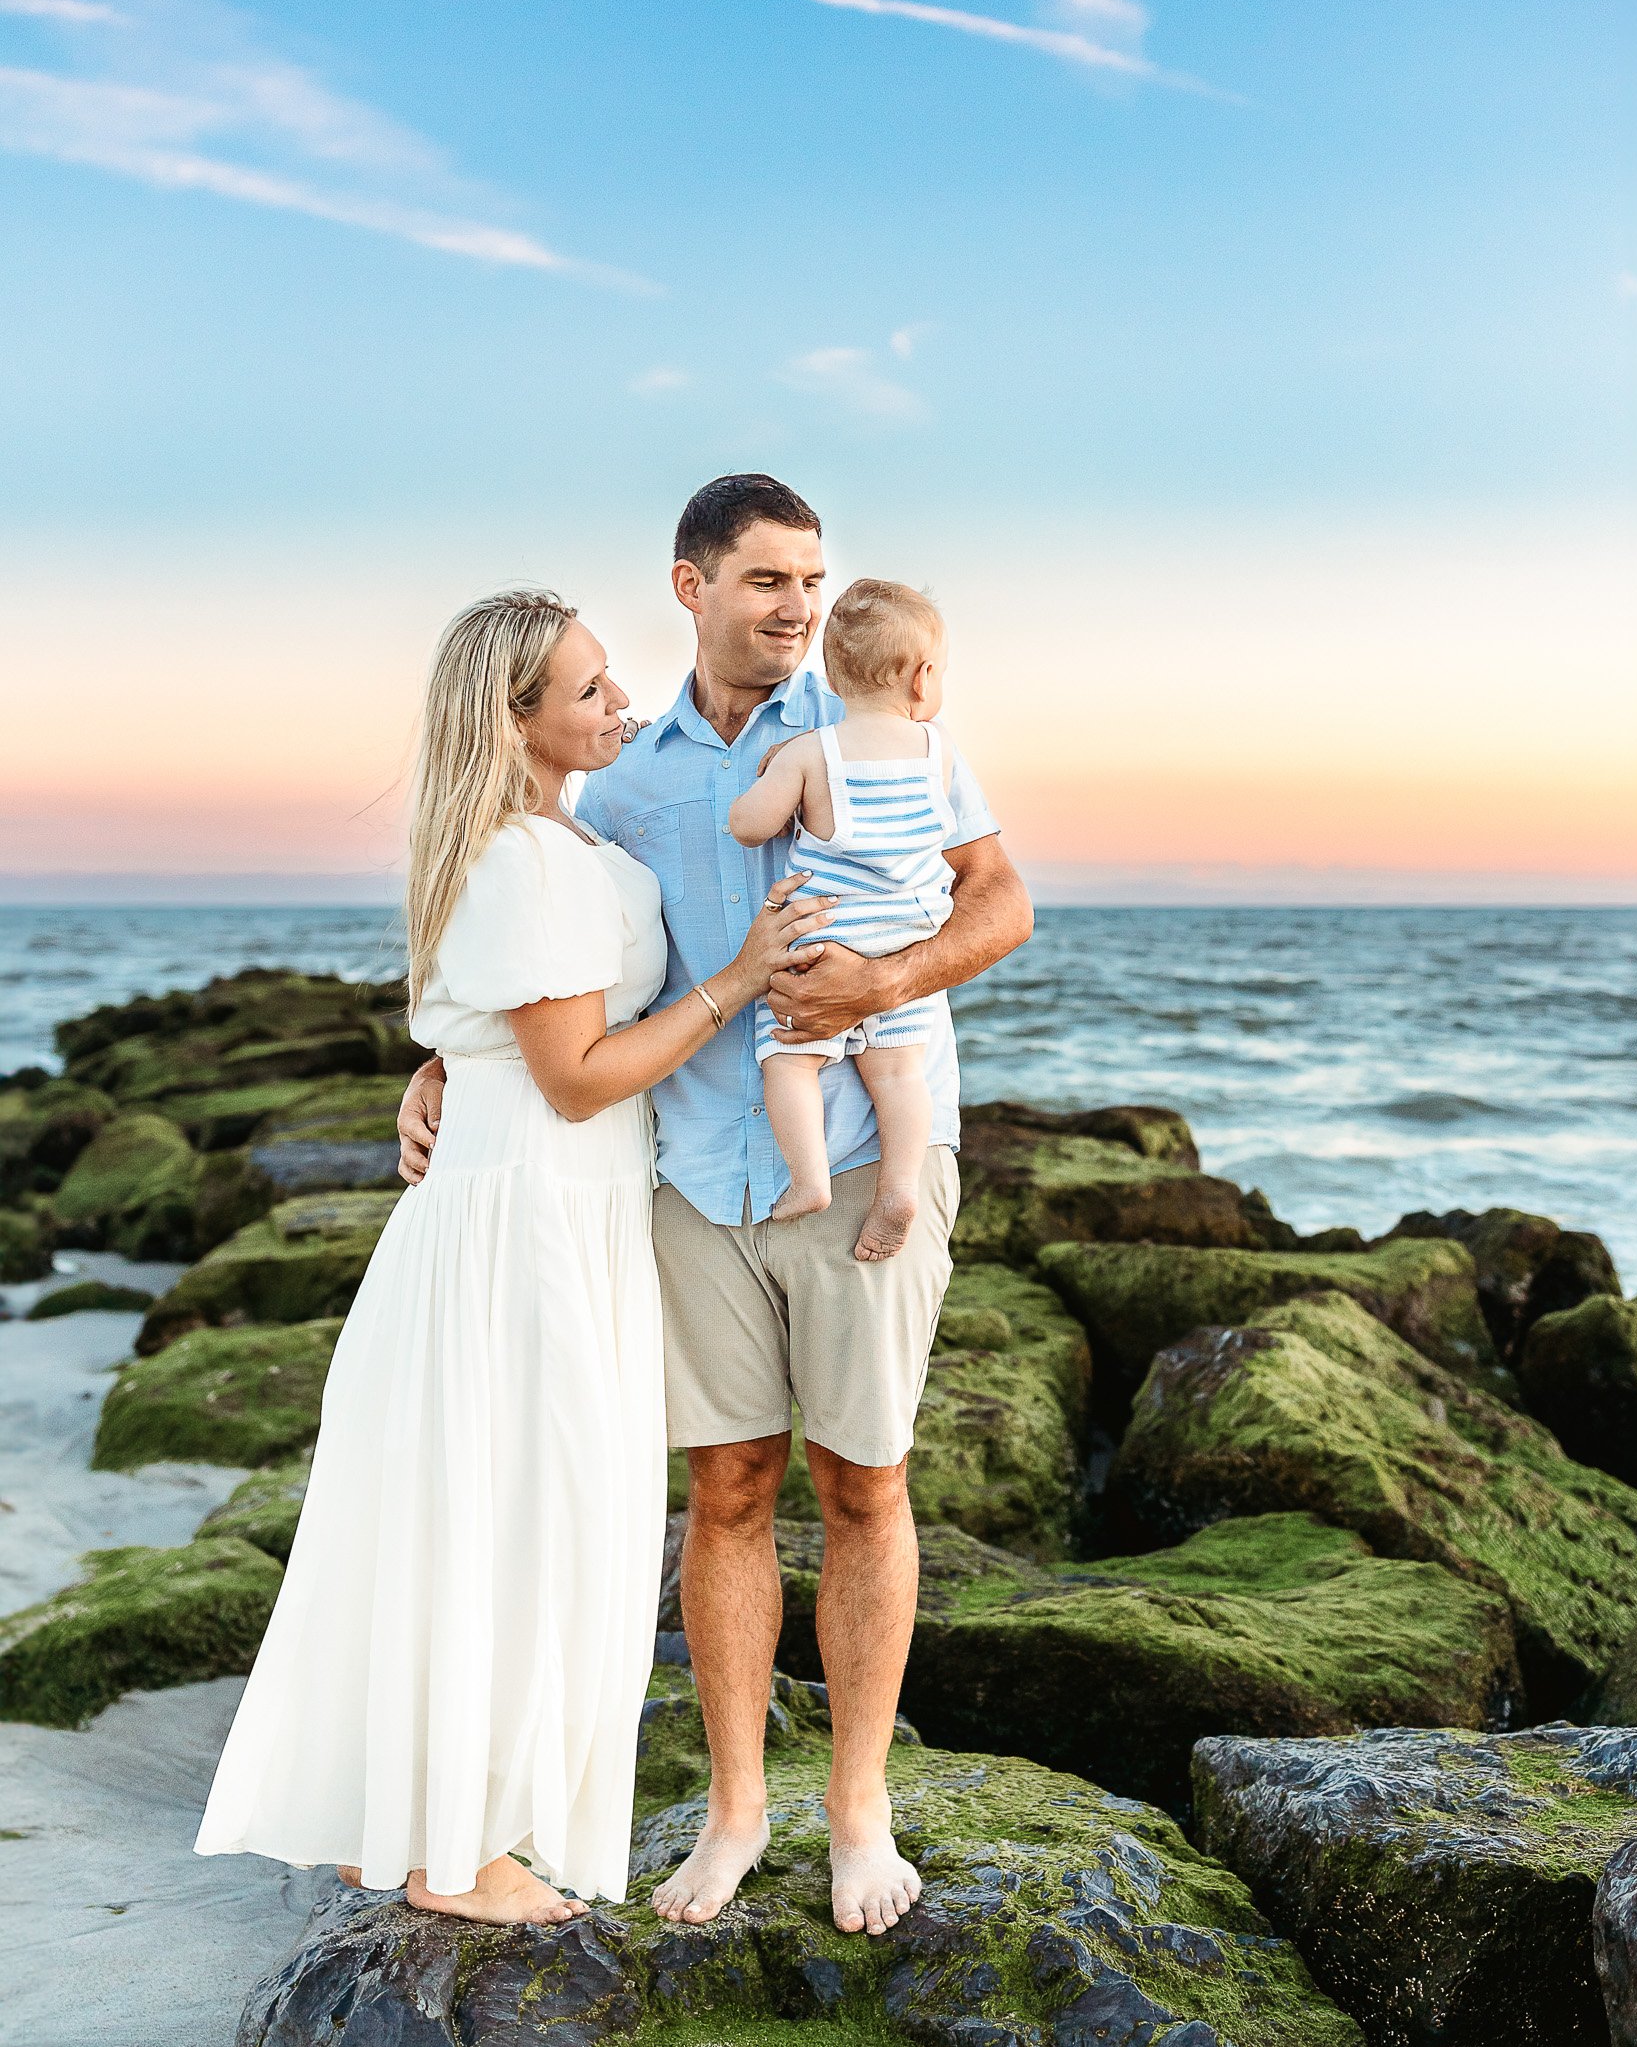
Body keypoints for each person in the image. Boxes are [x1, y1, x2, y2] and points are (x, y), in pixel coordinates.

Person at [398, 476, 1032, 1938]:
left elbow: (997, 903)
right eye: (765, 579)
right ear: (691, 588)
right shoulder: (617, 781)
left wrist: (884, 981)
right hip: (687, 1180)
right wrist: (444, 1063)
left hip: (861, 1166)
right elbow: (558, 949)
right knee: (726, 1491)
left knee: (864, 1483)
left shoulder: (888, 732)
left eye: (812, 577)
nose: (798, 604)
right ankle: (737, 1815)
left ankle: (858, 1815)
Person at [194, 587, 826, 1924]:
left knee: (533, 1515)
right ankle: (455, 1854)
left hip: (559, 1212)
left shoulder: (554, 842)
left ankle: (455, 1830)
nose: (623, 704)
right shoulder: (524, 858)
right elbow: (580, 1078)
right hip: (526, 1225)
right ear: (516, 717)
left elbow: (499, 1027)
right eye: (590, 691)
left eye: (612, 682)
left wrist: (435, 1065)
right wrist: (740, 979)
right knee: (514, 1519)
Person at [728, 577, 959, 1264]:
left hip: (826, 939)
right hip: (903, 946)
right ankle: (898, 1186)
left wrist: (771, 777)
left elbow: (748, 827)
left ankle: (809, 1181)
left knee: (788, 1062)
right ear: (921, 679)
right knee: (897, 1077)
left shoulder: (813, 751)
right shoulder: (935, 752)